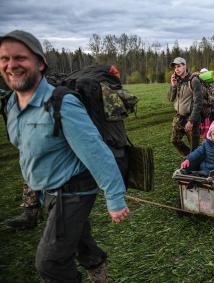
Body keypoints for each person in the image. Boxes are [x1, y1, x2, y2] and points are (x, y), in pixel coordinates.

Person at [0, 30, 129, 282]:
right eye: (4, 59)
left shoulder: (62, 103)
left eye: (20, 58)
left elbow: (96, 152)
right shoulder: (11, 104)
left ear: (40, 63)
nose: (11, 65)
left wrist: (115, 198)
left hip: (72, 191)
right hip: (47, 191)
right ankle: (97, 268)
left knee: (50, 264)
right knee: (78, 234)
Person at [168, 57, 203, 156]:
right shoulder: (177, 81)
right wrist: (173, 86)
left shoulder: (193, 80)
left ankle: (194, 160)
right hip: (179, 117)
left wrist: (191, 121)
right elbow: (171, 99)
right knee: (174, 140)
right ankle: (189, 158)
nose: (177, 69)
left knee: (194, 146)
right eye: (175, 67)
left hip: (191, 118)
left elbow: (198, 103)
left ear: (185, 66)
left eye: (179, 66)